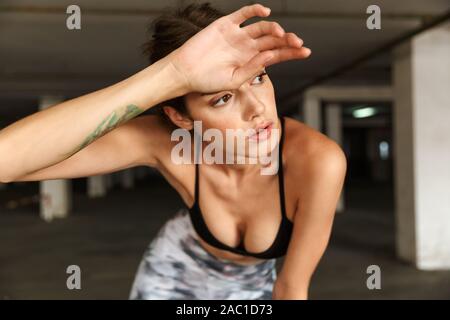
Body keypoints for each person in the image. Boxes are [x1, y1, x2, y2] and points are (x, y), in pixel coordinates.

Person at [0, 2, 347, 300]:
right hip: (174, 270)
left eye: (258, 78)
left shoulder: (318, 161)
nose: (256, 108)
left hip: (253, 289)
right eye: (223, 98)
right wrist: (171, 75)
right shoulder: (163, 142)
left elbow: (291, 288)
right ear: (180, 117)